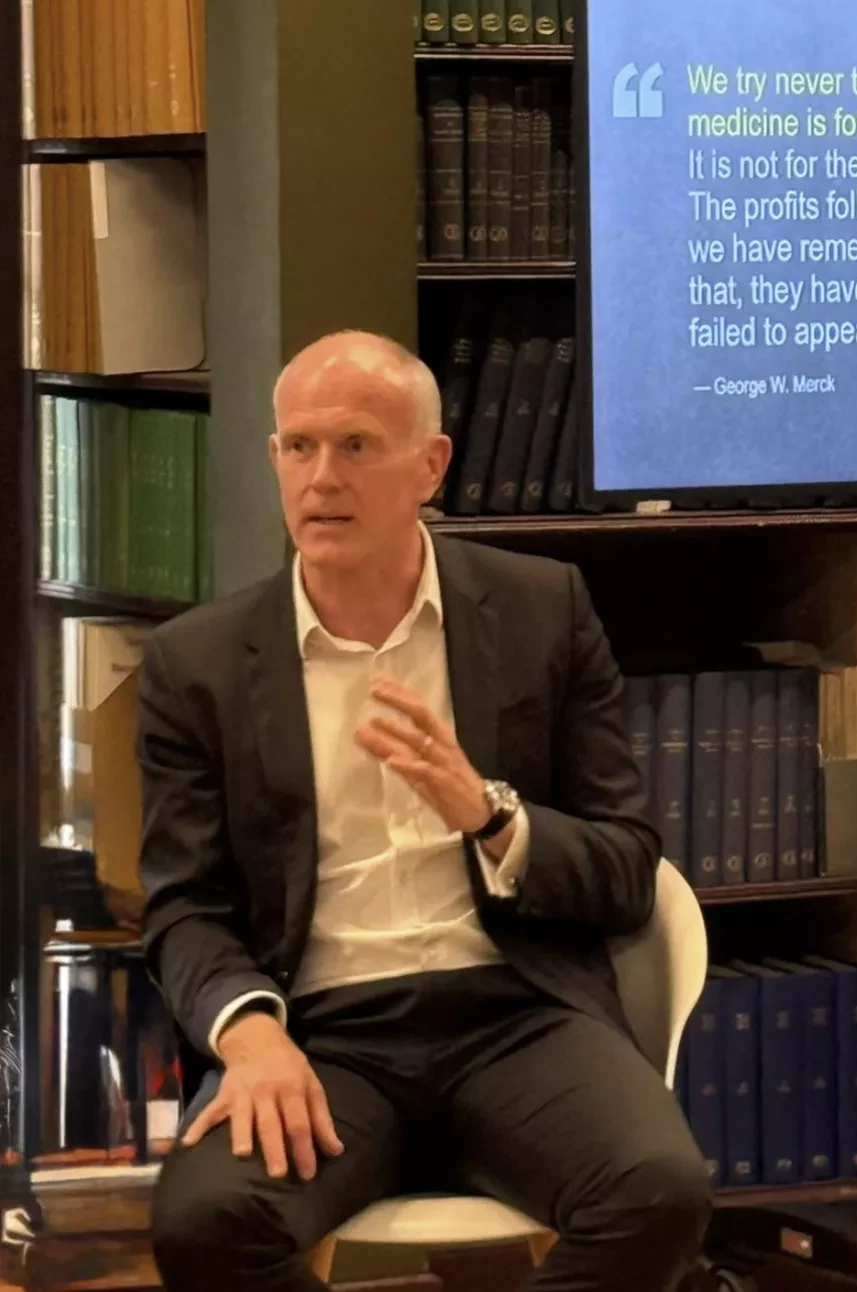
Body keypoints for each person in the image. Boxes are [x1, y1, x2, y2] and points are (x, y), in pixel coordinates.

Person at [138, 331, 709, 1292]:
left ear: (429, 466)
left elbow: (625, 867)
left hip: (517, 1018)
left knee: (661, 1192)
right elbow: (182, 906)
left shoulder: (542, 611)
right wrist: (250, 1035)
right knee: (206, 1224)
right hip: (323, 1035)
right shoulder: (197, 664)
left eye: (356, 445)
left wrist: (492, 819)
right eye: (298, 447)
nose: (321, 478)